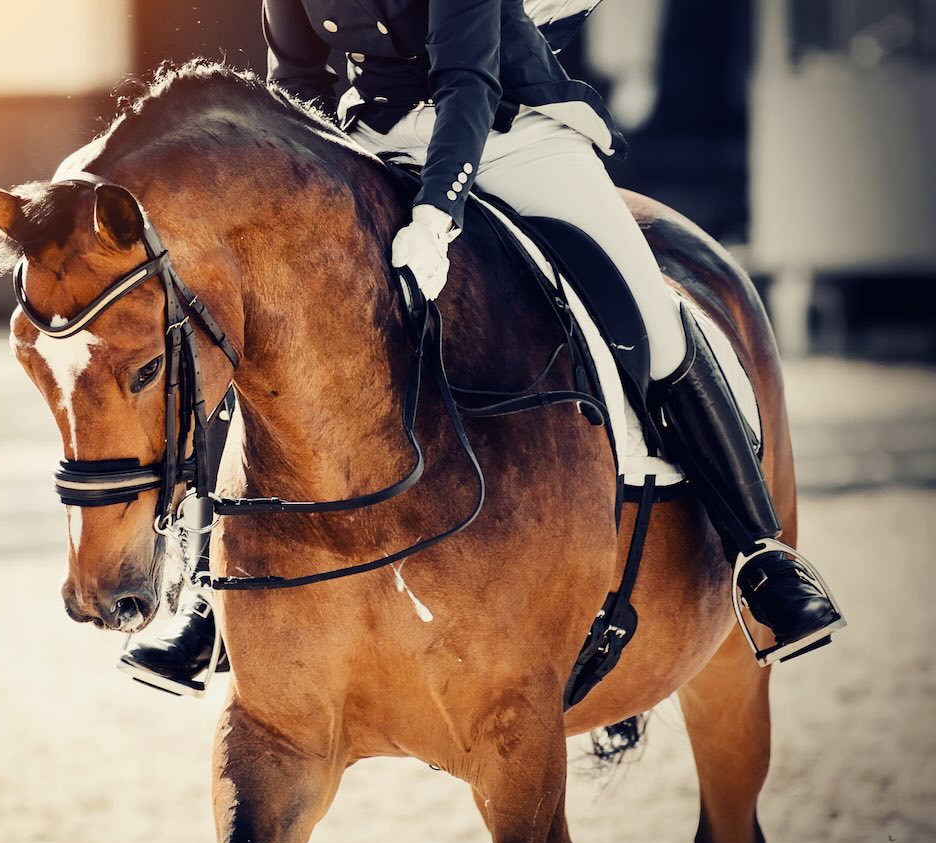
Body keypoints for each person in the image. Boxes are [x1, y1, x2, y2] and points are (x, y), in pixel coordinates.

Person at [119, 0, 844, 694]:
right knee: (252, 337)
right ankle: (211, 599)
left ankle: (761, 556)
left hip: (510, 131)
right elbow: (296, 86)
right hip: (370, 146)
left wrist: (436, 216)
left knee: (652, 322)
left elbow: (467, 78)